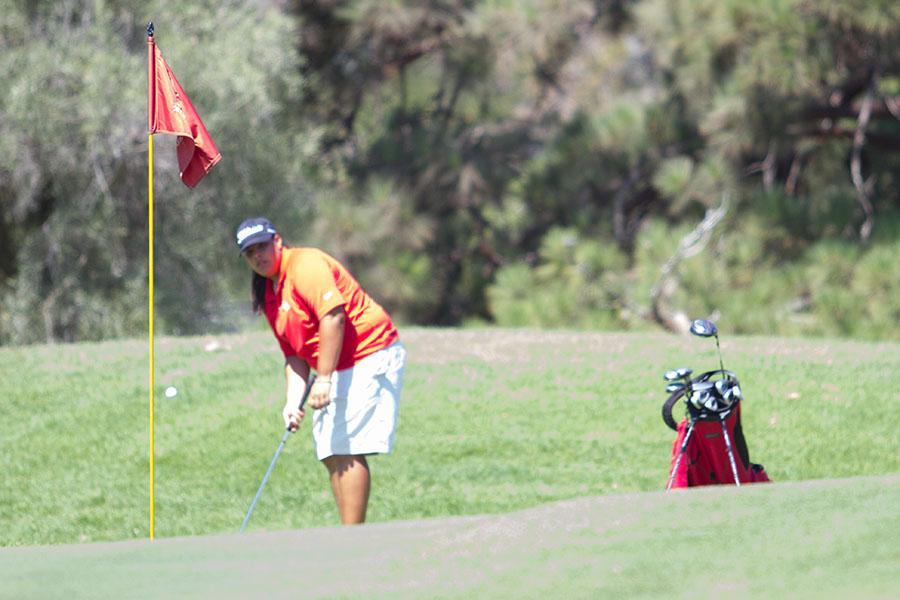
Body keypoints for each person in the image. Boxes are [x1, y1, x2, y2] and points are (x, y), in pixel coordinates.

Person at [235, 217, 406, 525]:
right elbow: (294, 355)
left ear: (277, 240)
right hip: (338, 364)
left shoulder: (305, 265)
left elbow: (334, 317)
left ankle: (352, 538)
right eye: (250, 253)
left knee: (348, 447)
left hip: (368, 352)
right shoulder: (271, 293)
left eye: (262, 246)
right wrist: (291, 403)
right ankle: (347, 534)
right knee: (330, 450)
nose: (258, 256)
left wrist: (324, 379)